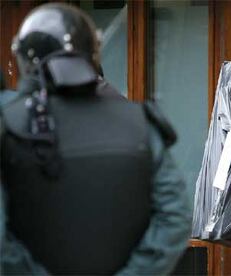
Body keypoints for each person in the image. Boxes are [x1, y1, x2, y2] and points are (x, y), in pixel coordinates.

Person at [0, 3, 191, 275]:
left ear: (23, 57)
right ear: (93, 51)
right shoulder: (139, 122)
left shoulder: (8, 122)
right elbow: (175, 218)